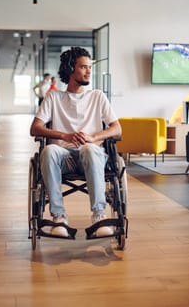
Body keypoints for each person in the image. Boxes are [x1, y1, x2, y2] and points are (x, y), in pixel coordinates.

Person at [30, 47, 122, 238]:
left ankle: (99, 216)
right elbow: (35, 128)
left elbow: (117, 129)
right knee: (49, 151)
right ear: (71, 69)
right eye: (83, 67)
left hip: (92, 156)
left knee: (88, 148)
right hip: (64, 158)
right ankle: (59, 217)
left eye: (90, 67)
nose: (89, 71)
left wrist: (93, 137)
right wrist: (64, 136)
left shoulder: (97, 96)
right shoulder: (54, 97)